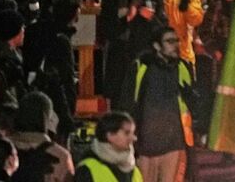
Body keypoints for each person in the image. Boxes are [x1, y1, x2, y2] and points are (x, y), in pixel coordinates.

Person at [132, 28, 195, 182]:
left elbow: (191, 102)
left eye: (177, 41)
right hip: (146, 142)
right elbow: (128, 103)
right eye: (170, 41)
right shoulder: (142, 67)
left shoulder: (182, 67)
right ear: (157, 46)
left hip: (174, 142)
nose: (176, 45)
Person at [74, 112, 141, 182]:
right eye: (127, 133)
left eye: (133, 133)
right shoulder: (86, 170)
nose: (134, 138)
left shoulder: (134, 170)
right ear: (110, 135)